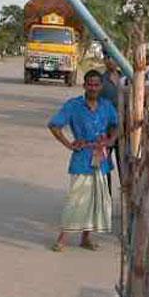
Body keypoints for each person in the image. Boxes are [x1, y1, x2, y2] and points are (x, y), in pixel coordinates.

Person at [48, 70, 118, 252]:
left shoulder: (107, 105)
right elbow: (54, 125)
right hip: (82, 158)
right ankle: (62, 239)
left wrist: (110, 141)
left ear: (101, 86)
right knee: (76, 199)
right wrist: (69, 145)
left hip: (101, 159)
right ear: (84, 85)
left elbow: (117, 125)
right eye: (90, 84)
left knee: (96, 199)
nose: (93, 88)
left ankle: (86, 238)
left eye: (97, 85)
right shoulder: (74, 105)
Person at [99, 54, 122, 195]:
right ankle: (105, 199)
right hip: (106, 129)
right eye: (107, 58)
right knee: (104, 165)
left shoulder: (126, 77)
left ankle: (126, 201)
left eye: (113, 57)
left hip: (125, 130)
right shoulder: (101, 81)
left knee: (125, 167)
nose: (110, 61)